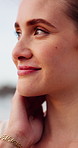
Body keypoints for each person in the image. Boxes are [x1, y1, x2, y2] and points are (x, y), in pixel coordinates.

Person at [0, 0, 78, 147]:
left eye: (39, 31)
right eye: (18, 33)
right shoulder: (6, 137)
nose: (16, 52)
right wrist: (15, 139)